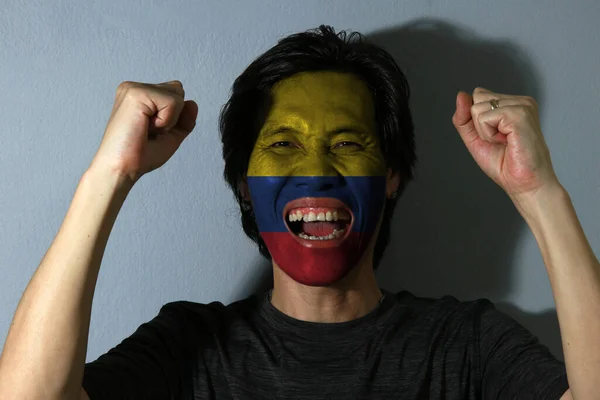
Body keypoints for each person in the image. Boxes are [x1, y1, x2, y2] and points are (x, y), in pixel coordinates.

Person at [0, 24, 596, 400]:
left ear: (390, 177)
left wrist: (538, 193)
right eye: (283, 144)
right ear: (243, 184)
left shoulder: (466, 345)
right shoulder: (188, 347)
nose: (316, 171)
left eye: (347, 143)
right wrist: (110, 175)